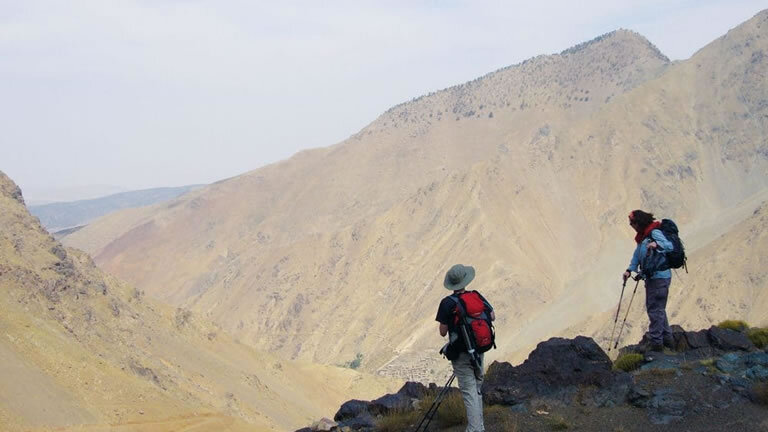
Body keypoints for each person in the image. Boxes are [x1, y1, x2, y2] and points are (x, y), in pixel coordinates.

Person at [435, 264, 495, 432]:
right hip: (479, 349)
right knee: (476, 388)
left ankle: (474, 429)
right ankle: (479, 427)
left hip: (460, 354)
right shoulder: (476, 296)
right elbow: (492, 316)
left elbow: (442, 332)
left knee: (469, 391)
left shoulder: (447, 303)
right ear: (465, 281)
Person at [623, 210, 674, 352]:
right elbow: (637, 255)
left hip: (659, 277)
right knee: (658, 309)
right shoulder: (643, 236)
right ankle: (668, 341)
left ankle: (656, 343)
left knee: (654, 309)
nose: (631, 226)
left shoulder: (654, 233)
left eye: (632, 223)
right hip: (653, 278)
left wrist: (656, 245)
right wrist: (629, 270)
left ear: (638, 222)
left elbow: (670, 246)